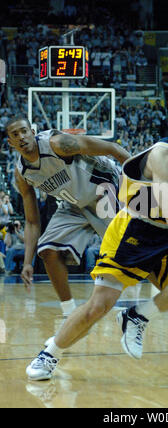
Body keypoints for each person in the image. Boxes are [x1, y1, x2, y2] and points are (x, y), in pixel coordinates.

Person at [26, 104, 168, 381]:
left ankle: (138, 315)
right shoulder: (164, 156)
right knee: (99, 306)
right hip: (135, 230)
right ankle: (49, 354)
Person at [5, 116, 130, 321]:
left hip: (104, 190)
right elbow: (32, 221)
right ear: (10, 142)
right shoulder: (22, 174)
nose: (21, 137)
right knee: (47, 251)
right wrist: (28, 262)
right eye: (15, 135)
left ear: (33, 132)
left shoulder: (58, 144)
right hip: (74, 204)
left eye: (24, 131)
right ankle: (69, 313)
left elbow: (112, 149)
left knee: (133, 251)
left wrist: (141, 177)